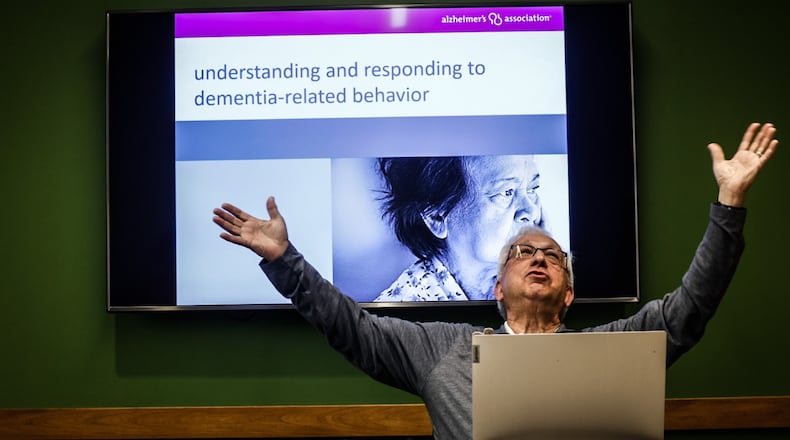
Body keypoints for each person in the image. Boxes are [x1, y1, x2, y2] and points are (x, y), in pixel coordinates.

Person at [212, 122, 778, 440]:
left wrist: (729, 202)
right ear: (497, 289)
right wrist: (283, 258)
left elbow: (691, 308)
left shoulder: (611, 350)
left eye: (553, 256)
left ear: (569, 293)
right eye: (522, 253)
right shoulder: (442, 351)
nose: (539, 257)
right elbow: (350, 327)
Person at [374, 154, 550, 302]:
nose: (532, 211)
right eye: (506, 192)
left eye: (532, 189)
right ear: (436, 217)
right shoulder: (397, 321)